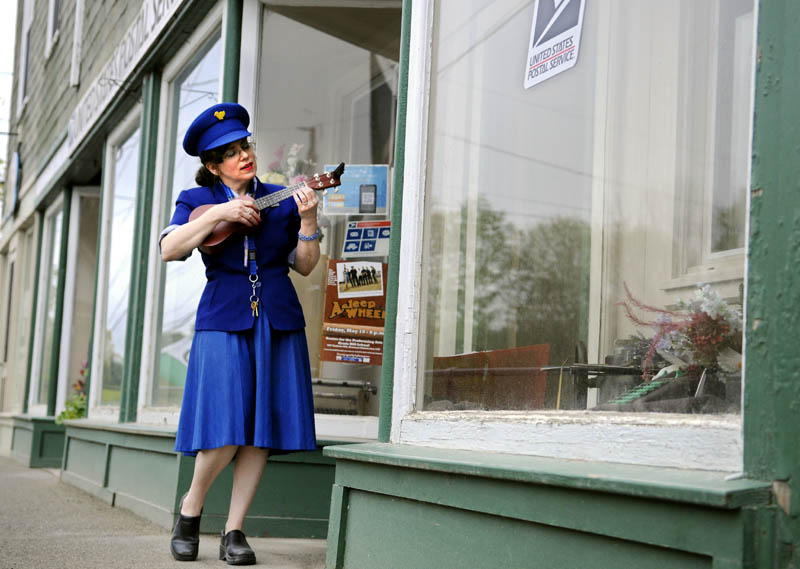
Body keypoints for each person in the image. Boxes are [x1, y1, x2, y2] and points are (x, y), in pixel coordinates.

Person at [159, 102, 320, 565]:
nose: (243, 155)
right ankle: (191, 509)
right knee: (227, 426)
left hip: (277, 317)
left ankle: (234, 530)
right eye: (229, 153)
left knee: (259, 431)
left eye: (244, 145)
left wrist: (307, 223)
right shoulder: (196, 201)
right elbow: (170, 249)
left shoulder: (283, 197)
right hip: (224, 316)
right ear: (212, 166)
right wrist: (220, 214)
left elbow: (304, 266)